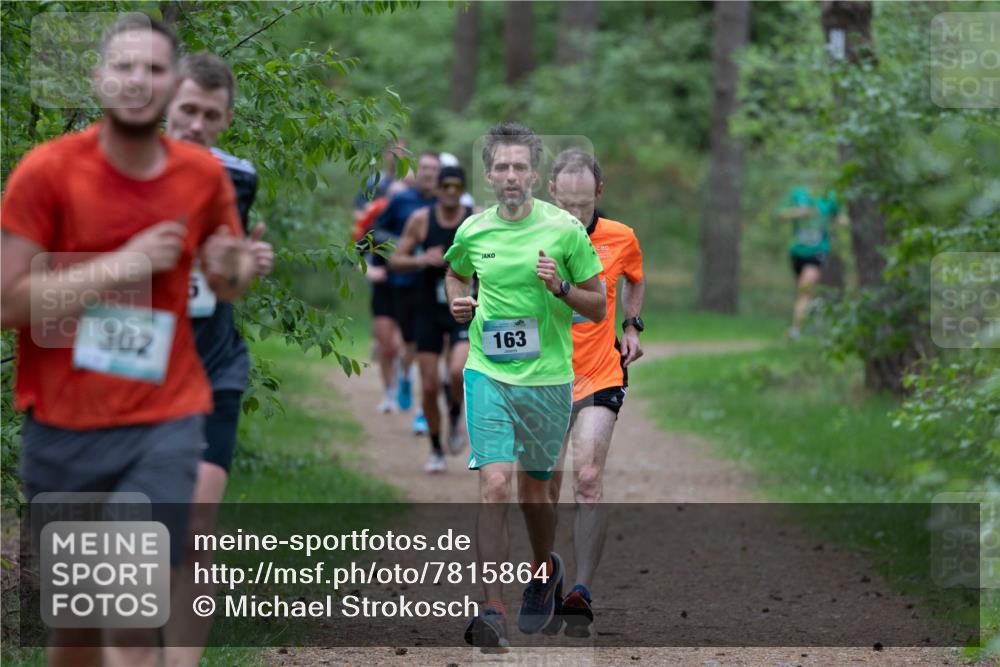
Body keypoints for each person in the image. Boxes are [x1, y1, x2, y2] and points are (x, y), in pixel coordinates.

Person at [0, 15, 254, 666]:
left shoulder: (202, 178)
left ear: (172, 85)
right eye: (125, 67)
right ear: (99, 79)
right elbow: (7, 303)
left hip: (163, 416)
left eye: (153, 69)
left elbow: (225, 281)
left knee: (134, 617)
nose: (139, 80)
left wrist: (236, 267)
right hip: (63, 421)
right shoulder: (47, 172)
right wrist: (123, 264)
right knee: (80, 631)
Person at [443, 122, 606, 649]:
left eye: (519, 167)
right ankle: (490, 609)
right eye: (501, 167)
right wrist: (457, 300)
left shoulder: (564, 231)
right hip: (487, 371)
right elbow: (454, 273)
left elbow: (599, 303)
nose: (510, 176)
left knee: (536, 493)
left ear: (535, 174)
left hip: (548, 380)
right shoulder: (473, 230)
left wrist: (558, 286)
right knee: (493, 485)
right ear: (489, 174)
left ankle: (544, 570)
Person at [162, 50, 274, 666]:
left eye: (211, 114)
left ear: (225, 119)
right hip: (134, 377)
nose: (197, 124)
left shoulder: (237, 177)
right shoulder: (114, 171)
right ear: (163, 107)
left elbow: (227, 272)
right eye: (187, 110)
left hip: (213, 367)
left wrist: (245, 267)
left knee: (195, 537)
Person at [542, 149, 646, 638]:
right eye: (568, 206)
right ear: (552, 193)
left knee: (586, 477)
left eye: (585, 206)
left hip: (601, 371)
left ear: (599, 195)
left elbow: (635, 280)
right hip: (541, 377)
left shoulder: (621, 237)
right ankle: (545, 576)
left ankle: (581, 590)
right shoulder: (529, 236)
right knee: (541, 488)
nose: (576, 216)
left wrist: (632, 325)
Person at [389, 166, 473, 473]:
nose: (451, 191)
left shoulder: (473, 219)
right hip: (427, 308)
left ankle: (454, 414)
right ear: (436, 189)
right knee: (426, 387)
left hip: (463, 307)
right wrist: (422, 259)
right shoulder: (421, 220)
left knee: (456, 374)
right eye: (445, 185)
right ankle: (436, 448)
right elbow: (396, 260)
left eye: (457, 185)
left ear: (462, 188)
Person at [372, 151, 441, 433]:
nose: (427, 173)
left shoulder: (444, 204)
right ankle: (400, 381)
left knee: (418, 341)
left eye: (433, 169)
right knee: (397, 342)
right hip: (397, 281)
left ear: (439, 174)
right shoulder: (400, 200)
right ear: (417, 171)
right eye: (423, 168)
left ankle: (411, 385)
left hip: (428, 284)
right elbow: (376, 232)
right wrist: (402, 244)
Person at [779, 185, 843, 340]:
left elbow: (838, 217)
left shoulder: (831, 196)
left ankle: (795, 330)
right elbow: (781, 215)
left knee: (804, 291)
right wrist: (800, 212)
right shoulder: (798, 193)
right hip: (797, 251)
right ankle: (814, 315)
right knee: (805, 293)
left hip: (818, 252)